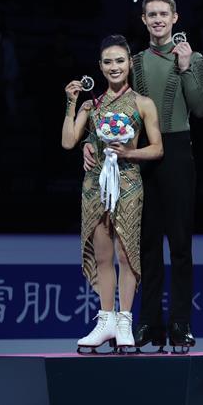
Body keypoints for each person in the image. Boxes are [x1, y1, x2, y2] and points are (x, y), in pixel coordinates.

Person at [84, 0, 203, 353]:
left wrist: (186, 69)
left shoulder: (193, 58)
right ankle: (148, 323)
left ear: (175, 18)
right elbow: (113, 106)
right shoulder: (134, 62)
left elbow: (201, 108)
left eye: (163, 14)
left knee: (181, 246)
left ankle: (181, 324)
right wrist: (90, 141)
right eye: (151, 14)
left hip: (176, 153)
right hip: (136, 153)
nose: (157, 19)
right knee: (145, 245)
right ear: (144, 20)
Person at [63, 34, 163, 353]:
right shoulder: (92, 105)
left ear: (129, 63)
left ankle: (124, 321)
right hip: (95, 185)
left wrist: (127, 154)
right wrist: (71, 102)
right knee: (104, 255)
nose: (114, 66)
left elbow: (158, 148)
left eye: (120, 60)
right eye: (108, 62)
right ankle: (105, 321)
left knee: (125, 253)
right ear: (101, 67)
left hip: (128, 182)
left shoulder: (142, 103)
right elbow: (68, 141)